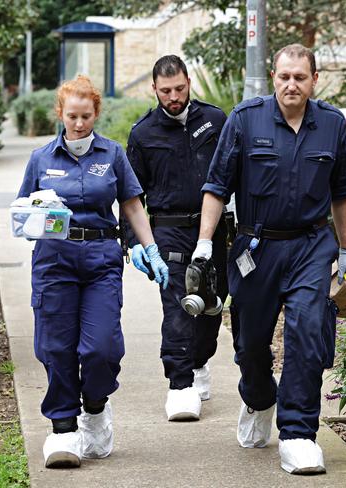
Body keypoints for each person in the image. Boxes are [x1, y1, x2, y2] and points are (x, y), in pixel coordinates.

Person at [192, 44, 346, 474]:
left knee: (306, 333)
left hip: (310, 245)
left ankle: (299, 434)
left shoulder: (332, 125)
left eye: (300, 77)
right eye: (284, 76)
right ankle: (259, 399)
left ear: (314, 80)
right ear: (273, 76)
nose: (291, 84)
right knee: (250, 344)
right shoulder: (245, 120)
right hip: (256, 248)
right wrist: (205, 244)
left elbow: (343, 192)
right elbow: (216, 186)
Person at [17, 75, 169, 469]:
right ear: (61, 115)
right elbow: (23, 212)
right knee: (55, 345)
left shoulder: (113, 154)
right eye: (72, 117)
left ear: (96, 113)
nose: (79, 124)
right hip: (54, 260)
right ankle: (63, 429)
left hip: (101, 258)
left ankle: (96, 406)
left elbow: (132, 205)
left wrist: (150, 249)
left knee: (101, 347)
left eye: (86, 117)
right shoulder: (41, 159)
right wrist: (38, 216)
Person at [124, 55, 229, 421]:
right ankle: (180, 385)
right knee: (178, 306)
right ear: (154, 89)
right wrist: (134, 242)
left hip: (215, 228)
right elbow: (130, 195)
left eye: (180, 89)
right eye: (166, 91)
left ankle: (199, 363)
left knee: (214, 304)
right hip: (168, 230)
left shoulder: (215, 121)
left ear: (189, 83)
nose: (174, 97)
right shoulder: (142, 133)